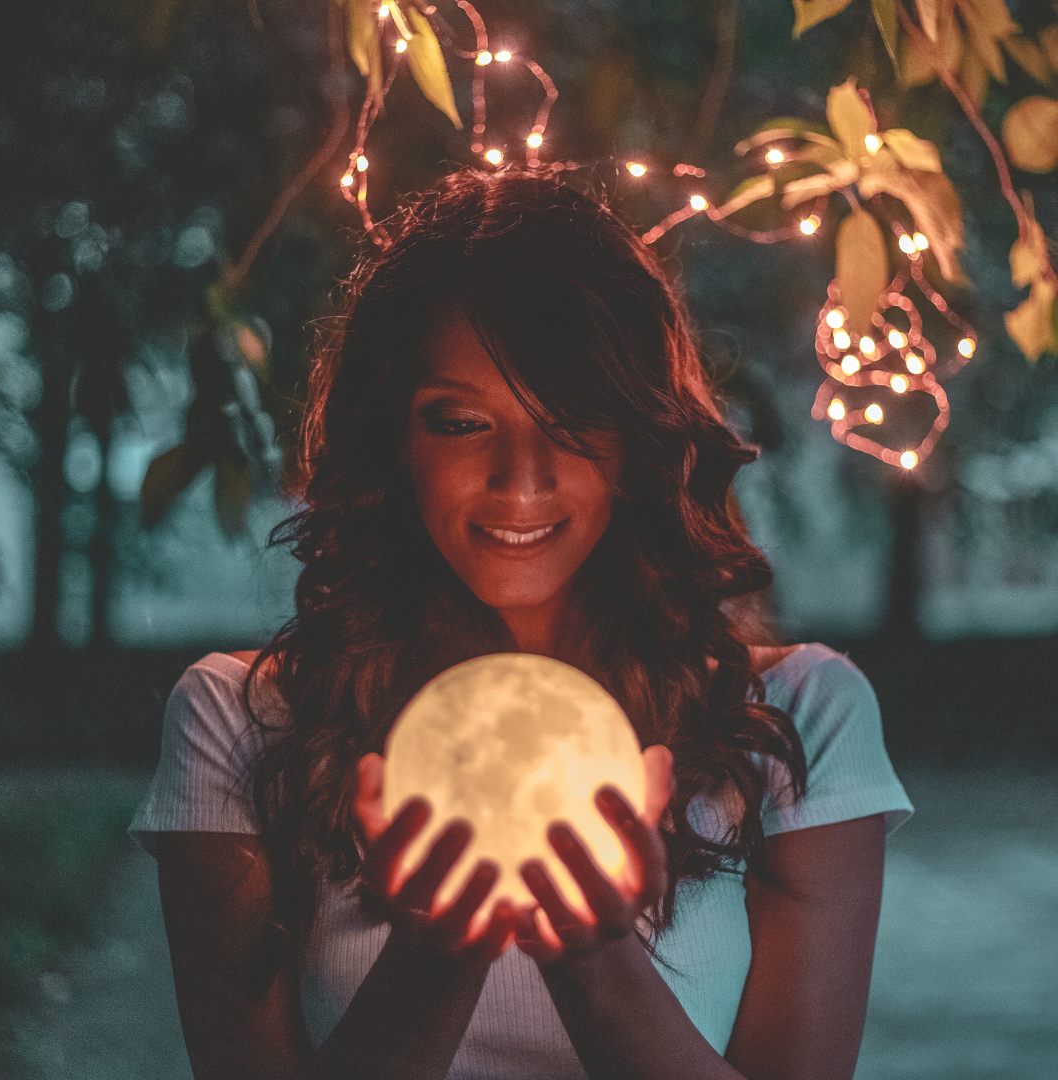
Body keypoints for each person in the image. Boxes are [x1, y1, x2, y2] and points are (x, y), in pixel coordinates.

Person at [130, 169, 913, 1080]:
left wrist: (595, 958)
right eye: (461, 421)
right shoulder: (241, 724)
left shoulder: (798, 718)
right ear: (394, 436)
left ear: (639, 440)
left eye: (573, 419)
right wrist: (436, 954)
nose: (521, 478)